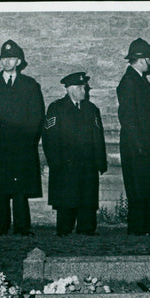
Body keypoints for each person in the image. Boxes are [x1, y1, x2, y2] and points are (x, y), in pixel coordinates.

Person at [0, 39, 45, 236]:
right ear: (1, 61)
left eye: (12, 59)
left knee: (20, 189)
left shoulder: (30, 86)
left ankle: (22, 227)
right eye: (4, 59)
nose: (8, 62)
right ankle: (0, 227)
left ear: (19, 62)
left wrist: (28, 141)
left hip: (22, 147)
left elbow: (36, 116)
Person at [42, 72, 107, 236]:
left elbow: (98, 137)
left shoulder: (91, 109)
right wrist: (55, 163)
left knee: (87, 197)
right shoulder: (56, 108)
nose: (84, 90)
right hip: (66, 164)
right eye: (80, 88)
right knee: (66, 197)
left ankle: (86, 228)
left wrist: (100, 162)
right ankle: (64, 229)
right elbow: (49, 139)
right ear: (70, 89)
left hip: (87, 164)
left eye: (84, 87)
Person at [116, 38, 150, 235]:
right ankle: (138, 228)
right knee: (139, 187)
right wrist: (139, 145)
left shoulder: (139, 81)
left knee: (149, 186)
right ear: (142, 59)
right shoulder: (129, 82)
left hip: (145, 144)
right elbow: (127, 118)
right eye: (149, 60)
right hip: (136, 145)